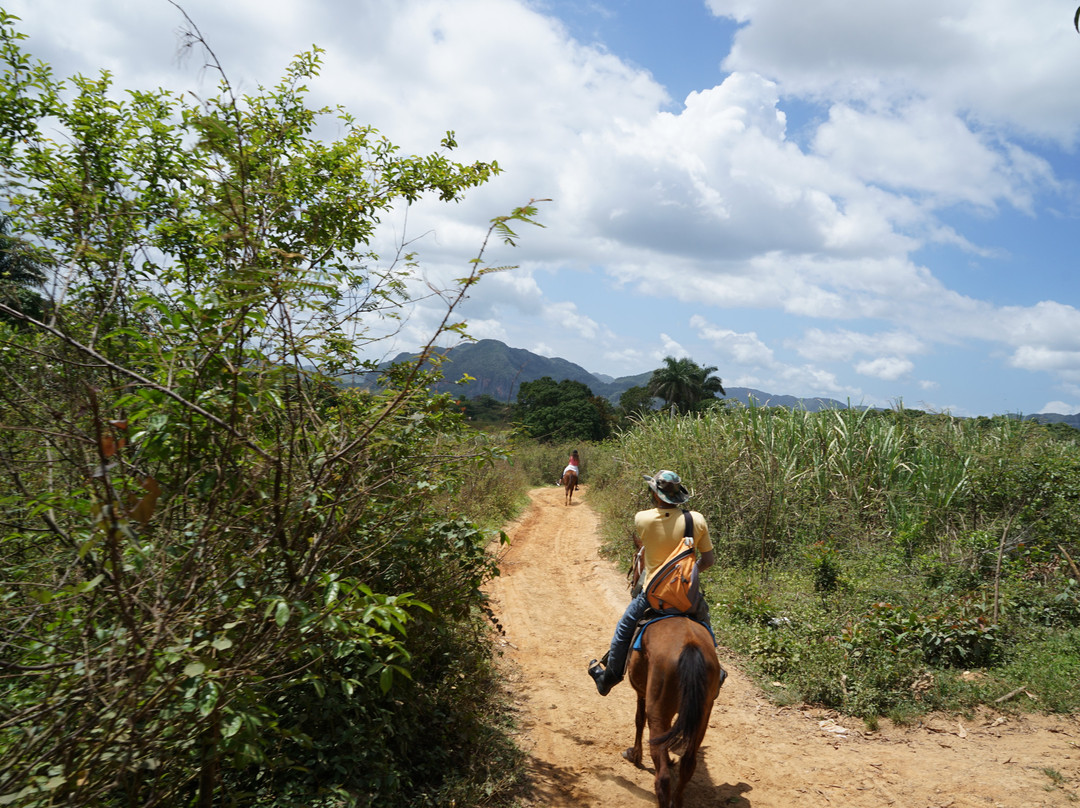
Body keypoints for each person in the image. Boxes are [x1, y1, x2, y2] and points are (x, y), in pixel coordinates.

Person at [587, 469, 715, 696]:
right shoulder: (696, 519)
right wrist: (686, 575)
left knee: (624, 628)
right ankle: (718, 673)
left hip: (654, 595)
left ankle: (609, 677)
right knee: (706, 628)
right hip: (687, 596)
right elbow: (708, 560)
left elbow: (646, 548)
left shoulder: (642, 519)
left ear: (657, 495)